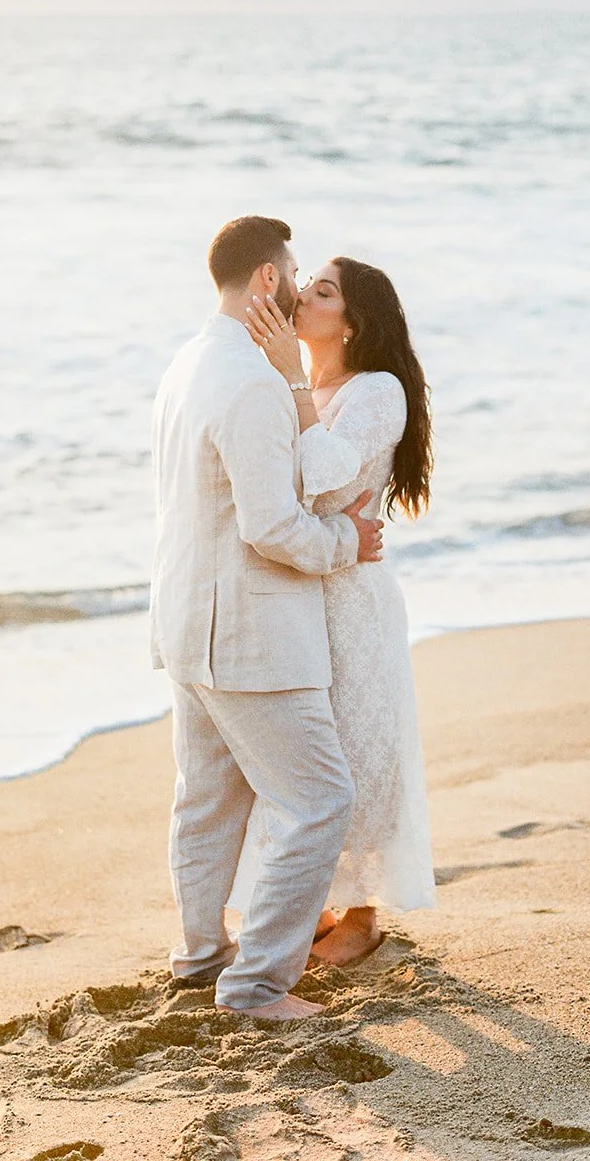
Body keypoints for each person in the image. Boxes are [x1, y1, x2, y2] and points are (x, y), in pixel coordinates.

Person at [149, 216, 384, 1022]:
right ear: (263, 283)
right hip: (248, 633)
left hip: (186, 624)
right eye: (288, 270)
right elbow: (272, 527)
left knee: (206, 799)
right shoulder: (250, 382)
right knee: (320, 800)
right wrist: (346, 540)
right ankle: (253, 988)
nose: (293, 281)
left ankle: (199, 958)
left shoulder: (189, 361)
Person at [239, 255, 436, 965]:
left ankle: (364, 910)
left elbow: (320, 477)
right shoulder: (296, 384)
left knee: (359, 747)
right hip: (300, 584)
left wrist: (290, 376)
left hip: (351, 595)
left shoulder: (376, 390)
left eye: (322, 293)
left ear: (351, 325)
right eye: (307, 284)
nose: (302, 298)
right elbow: (275, 486)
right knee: (305, 748)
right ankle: (313, 897)